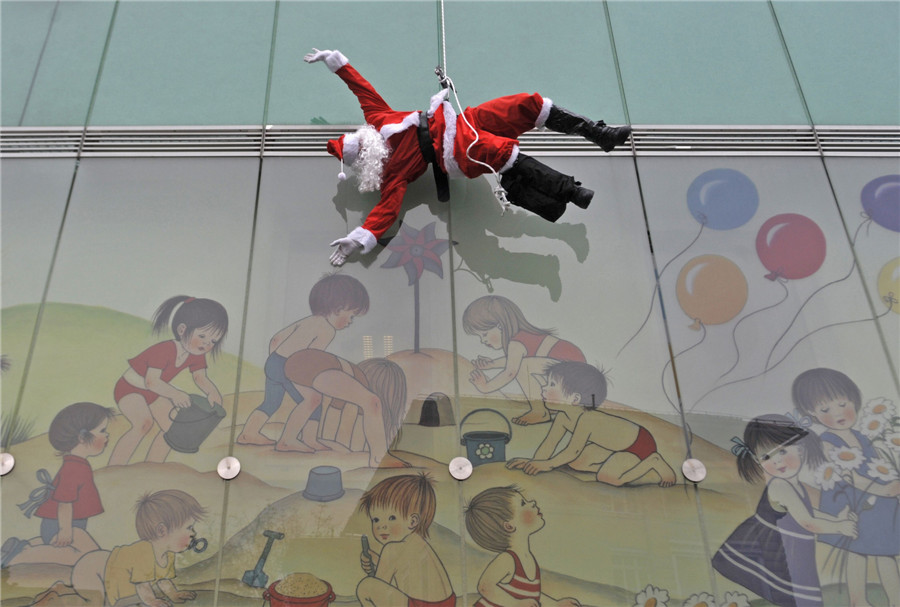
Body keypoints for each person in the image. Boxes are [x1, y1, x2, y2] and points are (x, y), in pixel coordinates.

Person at [303, 48, 632, 266]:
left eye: (359, 144)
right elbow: (386, 210)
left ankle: (598, 134)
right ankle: (571, 191)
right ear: (363, 163)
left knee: (525, 104)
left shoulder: (378, 117)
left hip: (461, 120)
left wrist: (334, 60)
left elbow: (361, 87)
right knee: (498, 151)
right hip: (452, 150)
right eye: (359, 154)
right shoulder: (393, 175)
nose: (364, 149)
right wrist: (359, 239)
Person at [712, 414, 858, 607]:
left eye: (782, 451)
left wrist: (835, 519)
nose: (777, 461)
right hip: (776, 551)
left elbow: (806, 512)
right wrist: (838, 527)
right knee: (794, 594)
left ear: (801, 449)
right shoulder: (780, 486)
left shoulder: (794, 485)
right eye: (766, 457)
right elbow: (807, 522)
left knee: (802, 594)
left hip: (794, 547)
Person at [792, 368, 900, 607]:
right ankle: (858, 601)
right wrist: (883, 490)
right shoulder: (828, 442)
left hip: (877, 505)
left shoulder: (863, 436)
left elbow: (878, 465)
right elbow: (851, 478)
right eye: (825, 410)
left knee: (884, 551)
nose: (838, 413)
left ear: (854, 400)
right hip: (850, 504)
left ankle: (895, 600)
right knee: (857, 552)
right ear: (811, 413)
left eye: (842, 404)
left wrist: (889, 485)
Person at [238, 273, 370, 448]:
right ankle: (290, 440)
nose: (350, 322)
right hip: (291, 367)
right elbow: (310, 359)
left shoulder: (308, 320)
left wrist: (274, 363)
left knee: (271, 402)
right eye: (351, 316)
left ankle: (248, 433)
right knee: (314, 399)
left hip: (275, 361)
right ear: (338, 308)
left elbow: (276, 339)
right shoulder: (327, 330)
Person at [506, 361, 676, 487]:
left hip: (639, 446)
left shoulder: (587, 419)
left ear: (575, 398)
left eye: (552, 384)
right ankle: (618, 465)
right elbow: (549, 445)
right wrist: (533, 462)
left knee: (608, 478)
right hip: (614, 446)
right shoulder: (562, 417)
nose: (544, 388)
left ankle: (653, 462)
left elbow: (572, 450)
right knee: (577, 463)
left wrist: (545, 465)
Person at [107, 296, 228, 466]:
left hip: (156, 392)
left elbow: (200, 377)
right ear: (182, 330)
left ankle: (153, 466)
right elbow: (151, 382)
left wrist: (212, 392)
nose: (206, 344)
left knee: (173, 428)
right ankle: (115, 467)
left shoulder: (196, 353)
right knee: (143, 423)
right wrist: (175, 394)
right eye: (202, 336)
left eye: (213, 341)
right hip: (130, 389)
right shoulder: (164, 350)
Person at [2, 402, 114, 568]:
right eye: (102, 431)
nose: (107, 435)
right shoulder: (74, 468)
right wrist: (65, 530)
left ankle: (24, 546)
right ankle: (18, 557)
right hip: (61, 524)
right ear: (82, 438)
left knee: (87, 554)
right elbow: (64, 503)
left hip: (66, 524)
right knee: (87, 556)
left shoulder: (77, 464)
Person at [463, 295, 586, 425]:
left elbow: (511, 372)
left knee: (523, 367)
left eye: (484, 334)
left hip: (573, 373)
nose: (483, 341)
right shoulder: (522, 337)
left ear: (500, 325)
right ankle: (548, 407)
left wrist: (486, 387)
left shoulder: (516, 343)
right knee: (525, 366)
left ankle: (540, 411)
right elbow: (515, 360)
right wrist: (492, 364)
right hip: (573, 373)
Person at [71, 489, 206, 607]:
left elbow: (163, 579)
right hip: (91, 570)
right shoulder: (144, 552)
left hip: (106, 568)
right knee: (96, 601)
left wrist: (173, 594)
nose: (193, 533)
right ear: (162, 530)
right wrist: (152, 601)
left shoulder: (168, 554)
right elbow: (142, 585)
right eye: (189, 528)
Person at [276, 350, 408, 468]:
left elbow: (336, 407)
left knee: (313, 400)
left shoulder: (351, 378)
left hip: (296, 363)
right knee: (373, 402)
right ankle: (378, 458)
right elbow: (372, 406)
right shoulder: (360, 381)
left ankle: (286, 440)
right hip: (315, 366)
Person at [465, 486, 581, 607]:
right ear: (509, 526)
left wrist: (555, 604)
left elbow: (531, 594)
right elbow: (484, 587)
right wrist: (515, 603)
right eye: (523, 503)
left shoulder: (527, 558)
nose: (533, 502)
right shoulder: (508, 559)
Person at [356, 474, 455, 607]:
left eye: (391, 518)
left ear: (413, 521)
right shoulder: (417, 542)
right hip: (447, 603)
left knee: (366, 587)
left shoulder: (392, 549)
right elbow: (401, 565)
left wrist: (376, 567)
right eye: (376, 519)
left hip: (420, 605)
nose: (381, 526)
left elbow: (380, 585)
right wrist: (376, 559)